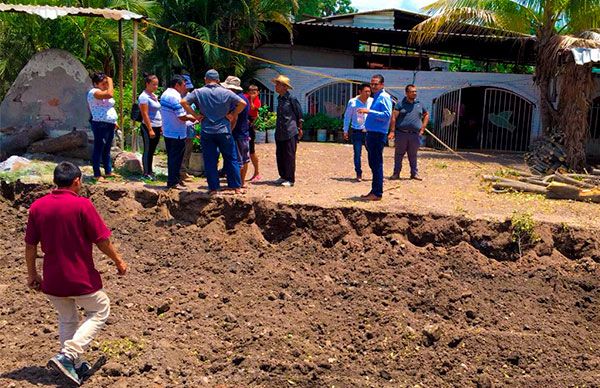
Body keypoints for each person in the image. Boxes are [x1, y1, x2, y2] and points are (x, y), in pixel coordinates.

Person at [25, 162, 127, 386]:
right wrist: (118, 260)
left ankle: (75, 364)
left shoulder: (37, 207)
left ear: (55, 181)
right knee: (101, 309)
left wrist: (32, 274)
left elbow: (30, 246)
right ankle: (69, 354)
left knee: (67, 318)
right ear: (77, 181)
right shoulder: (82, 205)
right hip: (79, 278)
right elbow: (101, 240)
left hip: (52, 279)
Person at [181, 69, 247, 195]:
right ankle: (236, 187)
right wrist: (233, 114)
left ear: (205, 79)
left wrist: (196, 115)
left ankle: (213, 188)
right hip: (224, 130)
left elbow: (183, 102)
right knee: (231, 158)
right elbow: (242, 103)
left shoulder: (199, 92)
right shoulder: (226, 92)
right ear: (218, 80)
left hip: (207, 131)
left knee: (210, 160)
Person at [357, 74, 393, 201]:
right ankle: (375, 190)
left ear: (382, 85)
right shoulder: (376, 97)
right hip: (372, 133)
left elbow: (387, 115)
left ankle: (377, 192)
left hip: (378, 134)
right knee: (373, 163)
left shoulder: (384, 97)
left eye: (376, 84)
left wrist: (369, 112)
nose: (373, 86)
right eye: (371, 84)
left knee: (376, 163)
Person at [160, 75, 196, 190]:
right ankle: (173, 182)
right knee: (176, 159)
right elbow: (181, 116)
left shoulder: (165, 94)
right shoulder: (175, 96)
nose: (185, 88)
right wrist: (192, 118)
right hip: (177, 132)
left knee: (172, 157)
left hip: (168, 130)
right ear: (177, 85)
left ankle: (173, 180)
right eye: (184, 85)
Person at [389, 84, 430, 181]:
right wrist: (392, 131)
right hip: (401, 134)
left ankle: (414, 174)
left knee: (413, 155)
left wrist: (423, 128)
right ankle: (396, 173)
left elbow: (426, 115)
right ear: (407, 93)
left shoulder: (419, 104)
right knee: (399, 154)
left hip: (415, 135)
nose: (414, 93)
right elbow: (394, 117)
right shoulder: (400, 104)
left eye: (415, 91)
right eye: (412, 91)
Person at [273, 75, 303, 187]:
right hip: (280, 131)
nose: (276, 86)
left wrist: (300, 128)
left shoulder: (292, 99)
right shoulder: (279, 99)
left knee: (289, 155)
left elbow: (299, 114)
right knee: (280, 155)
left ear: (284, 87)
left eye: (278, 84)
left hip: (290, 131)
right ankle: (283, 176)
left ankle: (290, 179)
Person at [222, 76, 251, 188]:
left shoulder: (235, 100)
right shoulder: (244, 98)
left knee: (237, 160)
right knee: (244, 160)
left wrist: (229, 131)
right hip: (244, 133)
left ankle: (236, 184)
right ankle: (241, 182)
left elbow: (234, 118)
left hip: (236, 134)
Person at [87, 72, 117, 180]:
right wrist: (110, 81)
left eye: (106, 83)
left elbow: (108, 107)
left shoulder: (103, 92)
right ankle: (96, 174)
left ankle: (108, 171)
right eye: (103, 83)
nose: (106, 85)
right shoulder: (94, 92)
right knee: (99, 148)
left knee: (107, 149)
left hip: (109, 123)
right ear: (96, 84)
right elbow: (110, 94)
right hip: (100, 124)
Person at [343, 83, 373, 181]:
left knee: (372, 152)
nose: (368, 93)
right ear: (360, 92)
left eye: (369, 91)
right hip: (357, 131)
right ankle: (358, 173)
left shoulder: (372, 101)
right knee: (357, 153)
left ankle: (374, 171)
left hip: (369, 131)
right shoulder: (353, 102)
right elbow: (347, 116)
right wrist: (345, 130)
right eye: (366, 91)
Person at [138, 73, 162, 179]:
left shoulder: (154, 96)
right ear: (147, 84)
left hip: (157, 125)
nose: (156, 87)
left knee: (152, 150)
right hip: (148, 126)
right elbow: (145, 114)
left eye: (157, 85)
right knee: (148, 149)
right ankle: (146, 173)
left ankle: (150, 171)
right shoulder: (144, 97)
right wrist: (150, 129)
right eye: (153, 85)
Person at [180, 74, 196, 182]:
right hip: (181, 126)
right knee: (182, 150)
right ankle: (181, 172)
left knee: (188, 149)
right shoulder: (177, 97)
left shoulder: (190, 95)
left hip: (190, 126)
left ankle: (185, 170)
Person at [245, 84, 262, 182]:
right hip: (245, 123)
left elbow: (252, 108)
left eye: (254, 93)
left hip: (250, 125)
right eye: (250, 92)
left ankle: (257, 172)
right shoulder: (245, 97)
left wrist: (251, 99)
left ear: (257, 93)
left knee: (251, 151)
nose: (252, 94)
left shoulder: (257, 101)